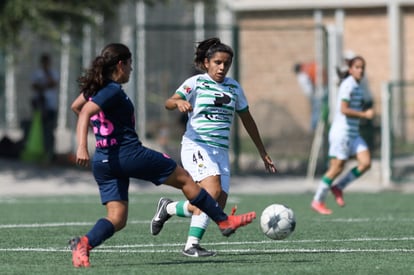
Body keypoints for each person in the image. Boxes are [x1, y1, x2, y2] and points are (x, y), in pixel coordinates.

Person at [68, 43, 256, 268]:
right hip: (129, 154)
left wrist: (101, 130)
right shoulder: (112, 89)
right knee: (186, 179)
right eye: (130, 65)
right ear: (121, 64)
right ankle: (225, 221)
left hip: (104, 161)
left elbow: (76, 107)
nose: (131, 70)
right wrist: (81, 146)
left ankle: (84, 245)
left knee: (117, 218)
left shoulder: (95, 89)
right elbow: (86, 112)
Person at [150, 38, 276, 257]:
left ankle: (168, 208)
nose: (222, 67)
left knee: (215, 203)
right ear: (207, 62)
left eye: (226, 63)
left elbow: (247, 119)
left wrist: (262, 151)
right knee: (212, 190)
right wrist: (178, 102)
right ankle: (191, 245)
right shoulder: (196, 83)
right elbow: (169, 101)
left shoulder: (234, 87)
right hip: (196, 145)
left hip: (220, 151)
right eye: (217, 62)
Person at [311, 56, 374, 215]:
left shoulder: (357, 87)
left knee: (366, 163)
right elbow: (343, 110)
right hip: (342, 133)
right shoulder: (348, 85)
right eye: (357, 67)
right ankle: (318, 201)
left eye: (362, 68)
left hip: (353, 134)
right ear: (351, 69)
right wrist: (364, 114)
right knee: (336, 168)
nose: (360, 70)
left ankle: (338, 187)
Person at [31, 53, 59, 161]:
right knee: (40, 130)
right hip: (40, 106)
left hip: (51, 105)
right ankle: (41, 152)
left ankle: (50, 153)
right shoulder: (37, 73)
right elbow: (34, 86)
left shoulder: (53, 73)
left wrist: (44, 81)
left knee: (50, 129)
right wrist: (43, 85)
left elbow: (53, 84)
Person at [293, 61, 324, 132]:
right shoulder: (303, 76)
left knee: (314, 109)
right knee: (316, 110)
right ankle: (314, 127)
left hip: (310, 95)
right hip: (312, 94)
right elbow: (310, 85)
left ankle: (313, 126)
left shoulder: (300, 76)